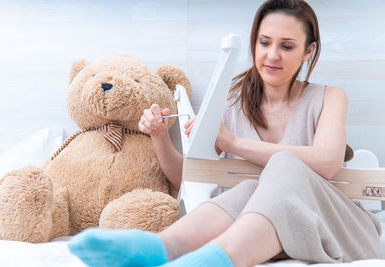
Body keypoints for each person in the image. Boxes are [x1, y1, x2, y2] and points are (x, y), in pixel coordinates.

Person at [68, 0, 383, 266]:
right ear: (254, 43)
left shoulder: (330, 96)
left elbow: (327, 163)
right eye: (264, 42)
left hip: (339, 229)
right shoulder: (230, 101)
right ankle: (160, 249)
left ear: (308, 51)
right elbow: (187, 176)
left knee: (283, 166)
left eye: (287, 46)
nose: (272, 55)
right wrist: (160, 136)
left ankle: (212, 260)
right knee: (249, 189)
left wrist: (233, 142)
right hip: (271, 235)